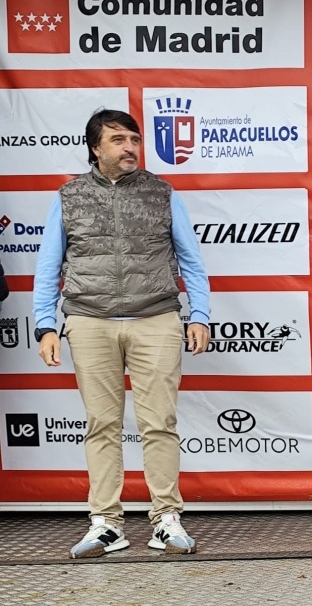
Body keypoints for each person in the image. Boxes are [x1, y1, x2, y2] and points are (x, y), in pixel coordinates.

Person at [33, 109, 210, 558]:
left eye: (134, 139)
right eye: (118, 140)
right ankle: (106, 523)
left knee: (160, 424)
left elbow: (191, 260)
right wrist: (45, 325)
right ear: (96, 147)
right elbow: (49, 265)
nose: (130, 147)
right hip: (89, 321)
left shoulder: (161, 192)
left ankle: (166, 519)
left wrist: (201, 315)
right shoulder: (69, 196)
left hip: (156, 319)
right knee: (101, 424)